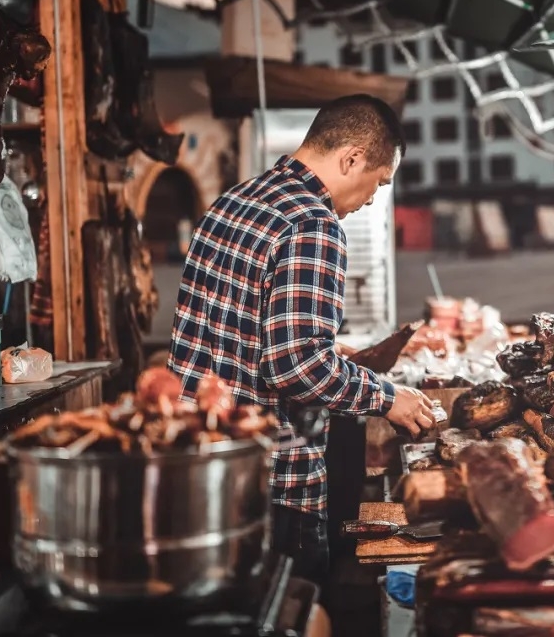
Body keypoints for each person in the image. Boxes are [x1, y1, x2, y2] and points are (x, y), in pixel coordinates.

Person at [167, 95, 436, 587]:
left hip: (196, 467)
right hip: (269, 481)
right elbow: (294, 365)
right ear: (351, 157)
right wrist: (387, 398)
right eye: (377, 182)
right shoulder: (313, 223)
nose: (373, 199)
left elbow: (239, 333)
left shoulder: (235, 200)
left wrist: (336, 355)